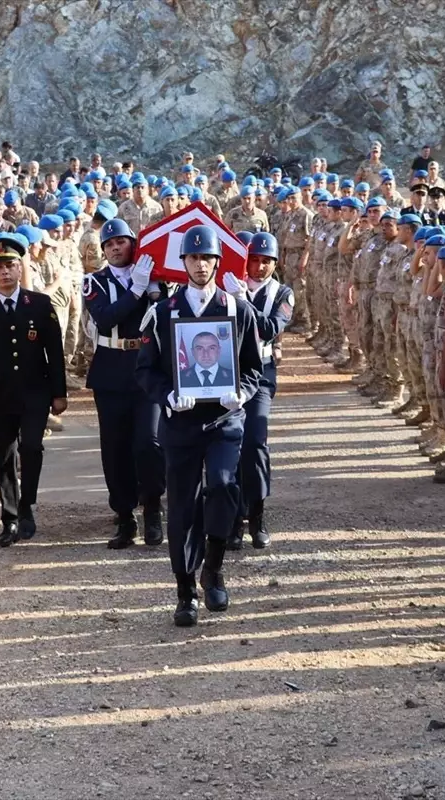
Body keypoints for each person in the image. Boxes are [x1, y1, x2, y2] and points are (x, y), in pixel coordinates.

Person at [136, 225, 264, 627]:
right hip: (181, 422)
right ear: (183, 263)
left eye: (207, 258)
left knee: (225, 485)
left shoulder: (236, 309)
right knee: (183, 504)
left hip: (224, 418)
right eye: (193, 258)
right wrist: (168, 396)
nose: (200, 264)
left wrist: (240, 394)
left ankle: (214, 566)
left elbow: (253, 368)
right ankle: (184, 590)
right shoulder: (162, 313)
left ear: (216, 261)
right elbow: (146, 371)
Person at [0, 233, 68, 547]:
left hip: (36, 392)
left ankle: (27, 505)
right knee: (4, 457)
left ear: (20, 268)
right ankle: (9, 519)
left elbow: (55, 351)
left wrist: (59, 394)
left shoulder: (39, 304)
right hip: (0, 395)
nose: (5, 272)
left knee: (32, 448)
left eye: (10, 265)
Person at [84, 218, 166, 549]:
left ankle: (152, 509)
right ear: (104, 251)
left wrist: (154, 290)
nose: (116, 247)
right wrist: (136, 289)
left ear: (134, 244)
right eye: (109, 244)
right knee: (115, 447)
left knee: (148, 442)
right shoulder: (95, 282)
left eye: (122, 241)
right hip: (111, 366)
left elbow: (164, 314)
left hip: (146, 365)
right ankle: (123, 515)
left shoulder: (152, 277)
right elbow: (105, 317)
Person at [225, 232, 291, 549]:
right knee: (230, 445)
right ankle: (235, 519)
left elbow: (268, 329)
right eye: (255, 260)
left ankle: (258, 514)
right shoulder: (226, 285)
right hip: (227, 372)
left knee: (254, 440)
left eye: (267, 261)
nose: (260, 267)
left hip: (260, 373)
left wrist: (242, 301)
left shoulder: (282, 293)